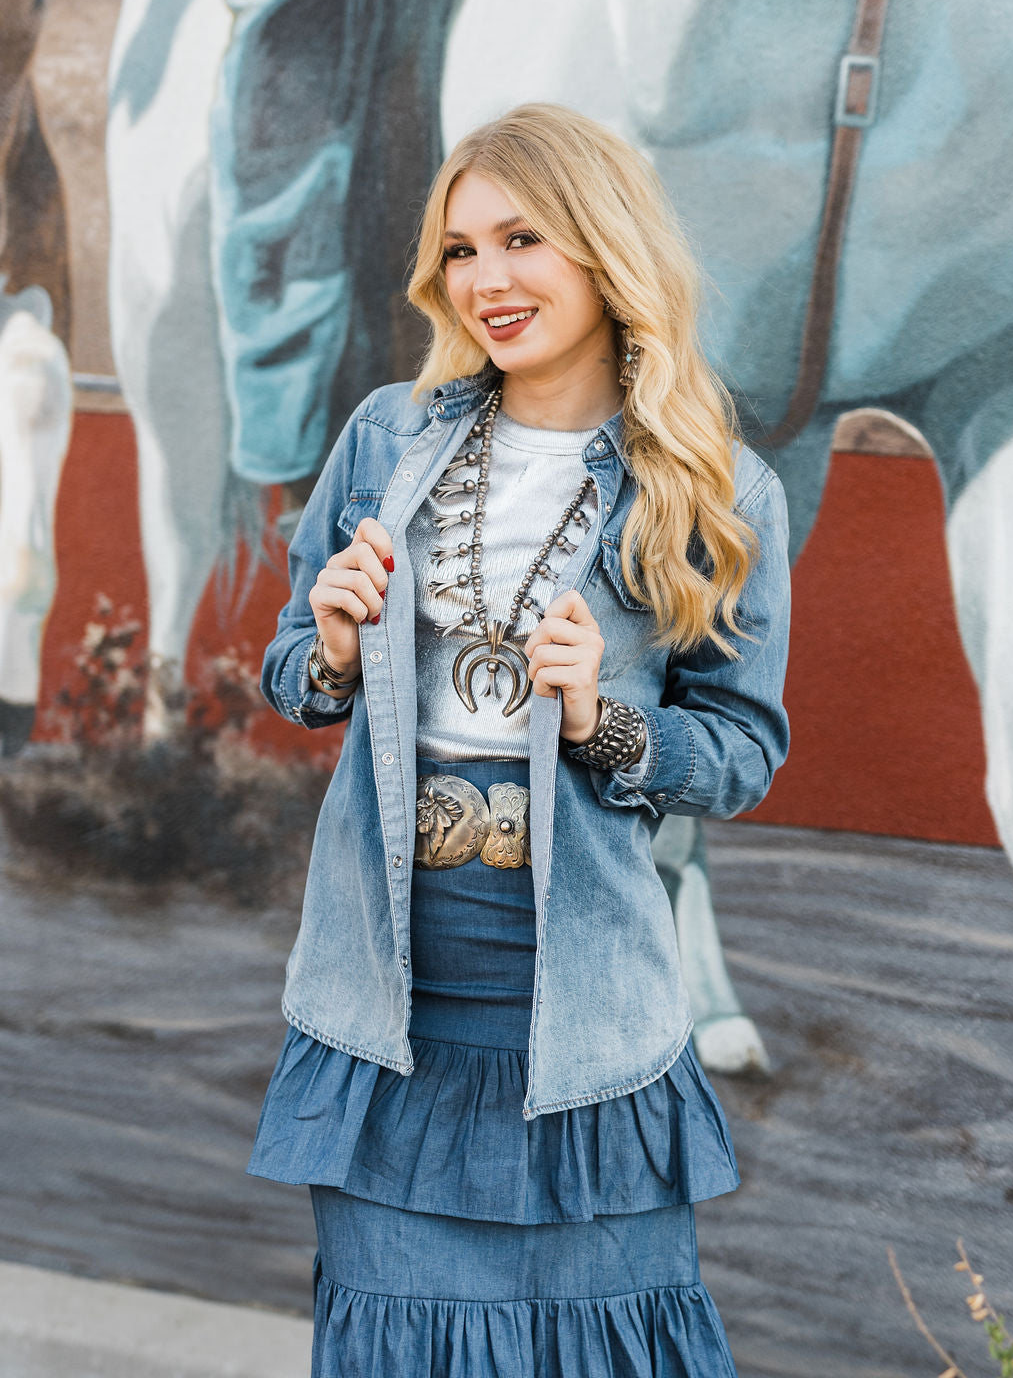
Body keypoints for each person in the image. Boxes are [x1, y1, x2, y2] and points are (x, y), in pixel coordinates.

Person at [249, 102, 791, 1375]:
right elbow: (288, 669)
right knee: (399, 1337)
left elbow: (741, 755)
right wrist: (325, 648)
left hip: (585, 1010)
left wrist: (606, 720)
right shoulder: (390, 438)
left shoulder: (710, 493)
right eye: (460, 251)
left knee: (602, 1338)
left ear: (603, 250)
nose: (486, 280)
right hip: (385, 996)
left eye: (523, 240)